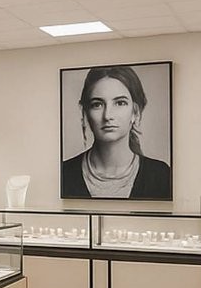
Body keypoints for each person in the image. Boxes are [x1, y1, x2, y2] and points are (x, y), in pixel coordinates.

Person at [61, 66, 171, 199]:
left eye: (120, 103)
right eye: (97, 104)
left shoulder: (160, 175)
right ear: (85, 113)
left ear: (135, 113)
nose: (108, 116)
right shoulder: (64, 172)